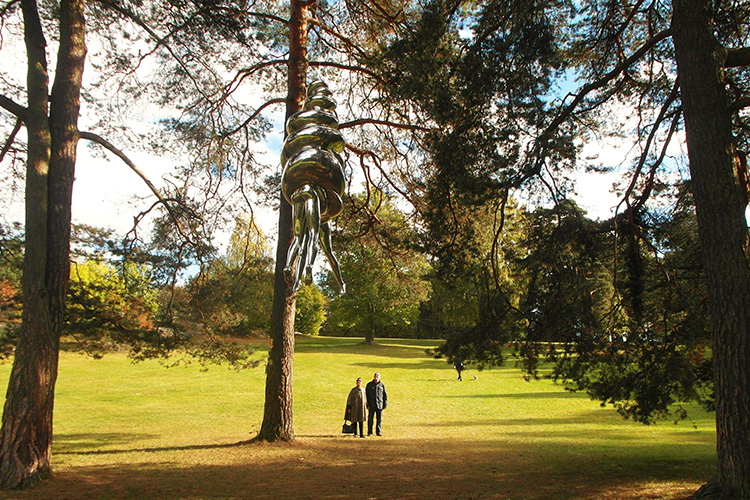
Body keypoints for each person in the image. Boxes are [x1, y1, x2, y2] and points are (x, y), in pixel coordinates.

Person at [365, 371, 388, 436]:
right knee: (370, 420)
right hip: (371, 405)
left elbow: (384, 395)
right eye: (375, 376)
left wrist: (384, 404)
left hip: (379, 405)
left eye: (377, 376)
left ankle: (378, 432)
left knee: (379, 420)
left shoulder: (382, 385)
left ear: (379, 377)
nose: (376, 377)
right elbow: (366, 395)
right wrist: (367, 404)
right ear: (373, 376)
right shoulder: (369, 385)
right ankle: (369, 432)